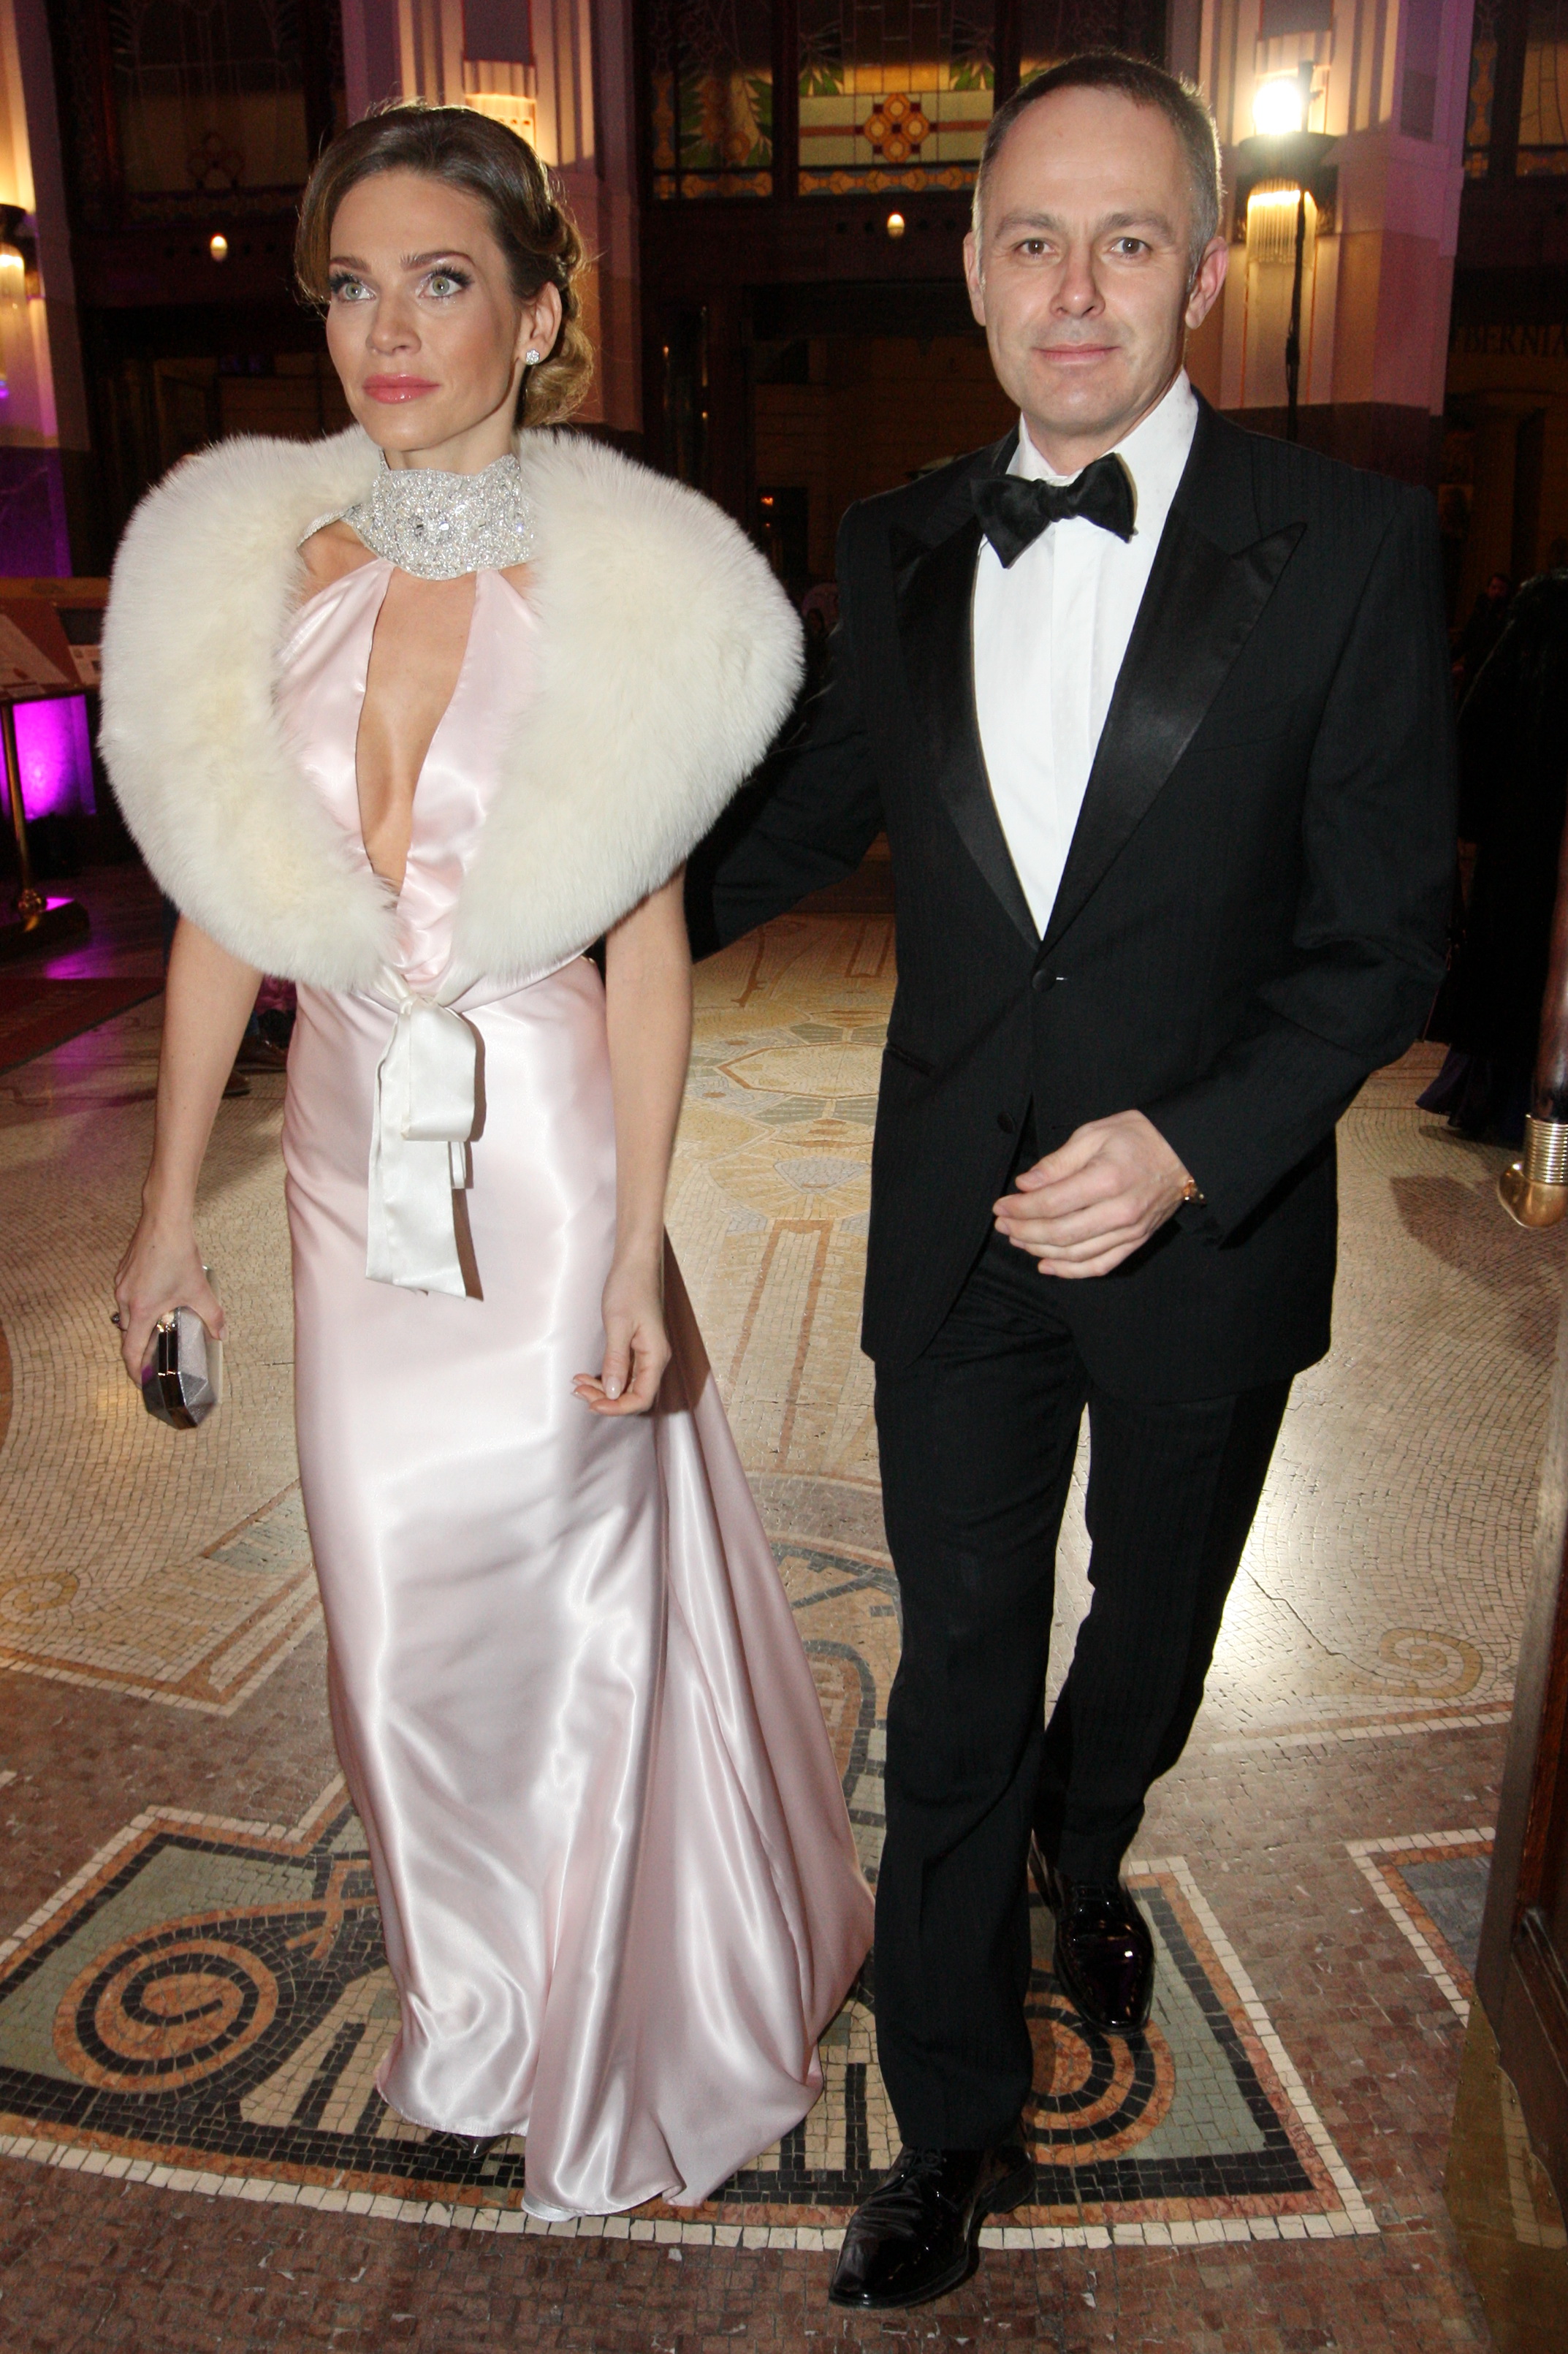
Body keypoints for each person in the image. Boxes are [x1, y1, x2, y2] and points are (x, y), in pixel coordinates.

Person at [688, 51, 1454, 2310]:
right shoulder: (895, 538)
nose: (1078, 288)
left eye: (1128, 240)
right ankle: (951, 2118)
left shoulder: (1346, 543)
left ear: (1206, 267)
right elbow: (785, 821)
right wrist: (539, 925)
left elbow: (1382, 938)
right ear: (970, 265)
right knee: (955, 1668)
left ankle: (1083, 1828)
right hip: (956, 1224)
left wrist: (1191, 1139)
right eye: (1032, 239)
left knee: (1148, 1635)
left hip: (1207, 1221)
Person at [103, 102, 870, 2222]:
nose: (387, 330)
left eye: (440, 282)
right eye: (351, 286)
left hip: (537, 1148)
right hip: (346, 1154)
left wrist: (635, 1244)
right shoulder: (267, 575)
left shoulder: (616, 592)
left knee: (569, 1592)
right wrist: (165, 1216)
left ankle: (623, 2009)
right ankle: (471, 2005)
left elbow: (647, 949)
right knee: (388, 1603)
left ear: (538, 318)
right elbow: (221, 909)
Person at [1422, 569, 1568, 1142]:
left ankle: (1503, 1098)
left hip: (1524, 828)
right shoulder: (1546, 604)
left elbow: (1481, 718)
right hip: (1529, 828)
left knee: (1515, 965)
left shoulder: (1543, 607)